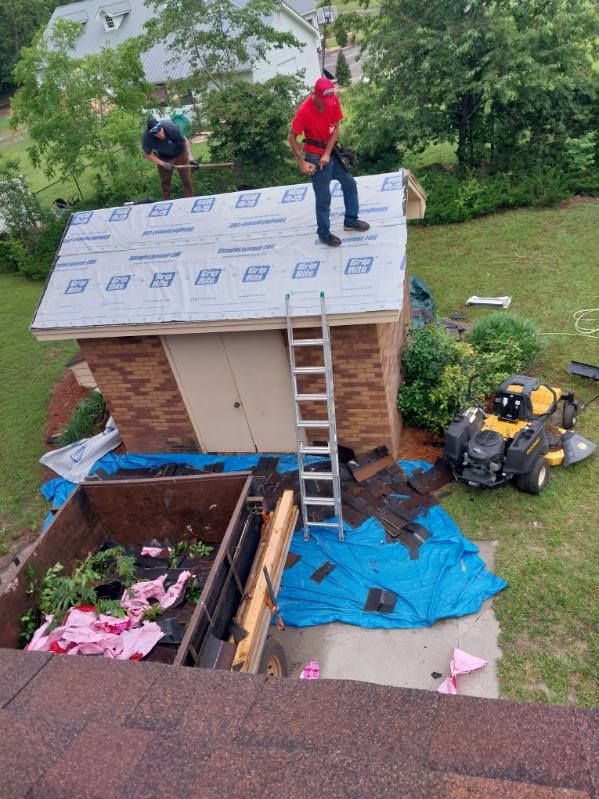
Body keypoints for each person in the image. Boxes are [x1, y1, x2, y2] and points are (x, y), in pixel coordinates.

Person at [288, 77, 370, 247]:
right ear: (315, 95)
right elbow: (291, 136)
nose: (327, 103)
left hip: (330, 152)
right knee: (324, 197)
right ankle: (324, 233)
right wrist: (302, 161)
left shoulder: (332, 100)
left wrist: (327, 153)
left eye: (329, 99)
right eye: (324, 100)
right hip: (314, 156)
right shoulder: (304, 111)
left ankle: (350, 220)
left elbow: (336, 128)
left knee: (349, 183)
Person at [141, 118, 198, 200]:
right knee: (165, 183)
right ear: (151, 133)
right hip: (164, 157)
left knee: (187, 179)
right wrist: (162, 163)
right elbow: (147, 154)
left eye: (160, 130)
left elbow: (185, 140)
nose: (160, 134)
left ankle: (190, 200)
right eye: (156, 134)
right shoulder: (147, 137)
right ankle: (166, 202)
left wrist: (191, 158)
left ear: (161, 126)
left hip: (180, 153)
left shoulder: (171, 127)